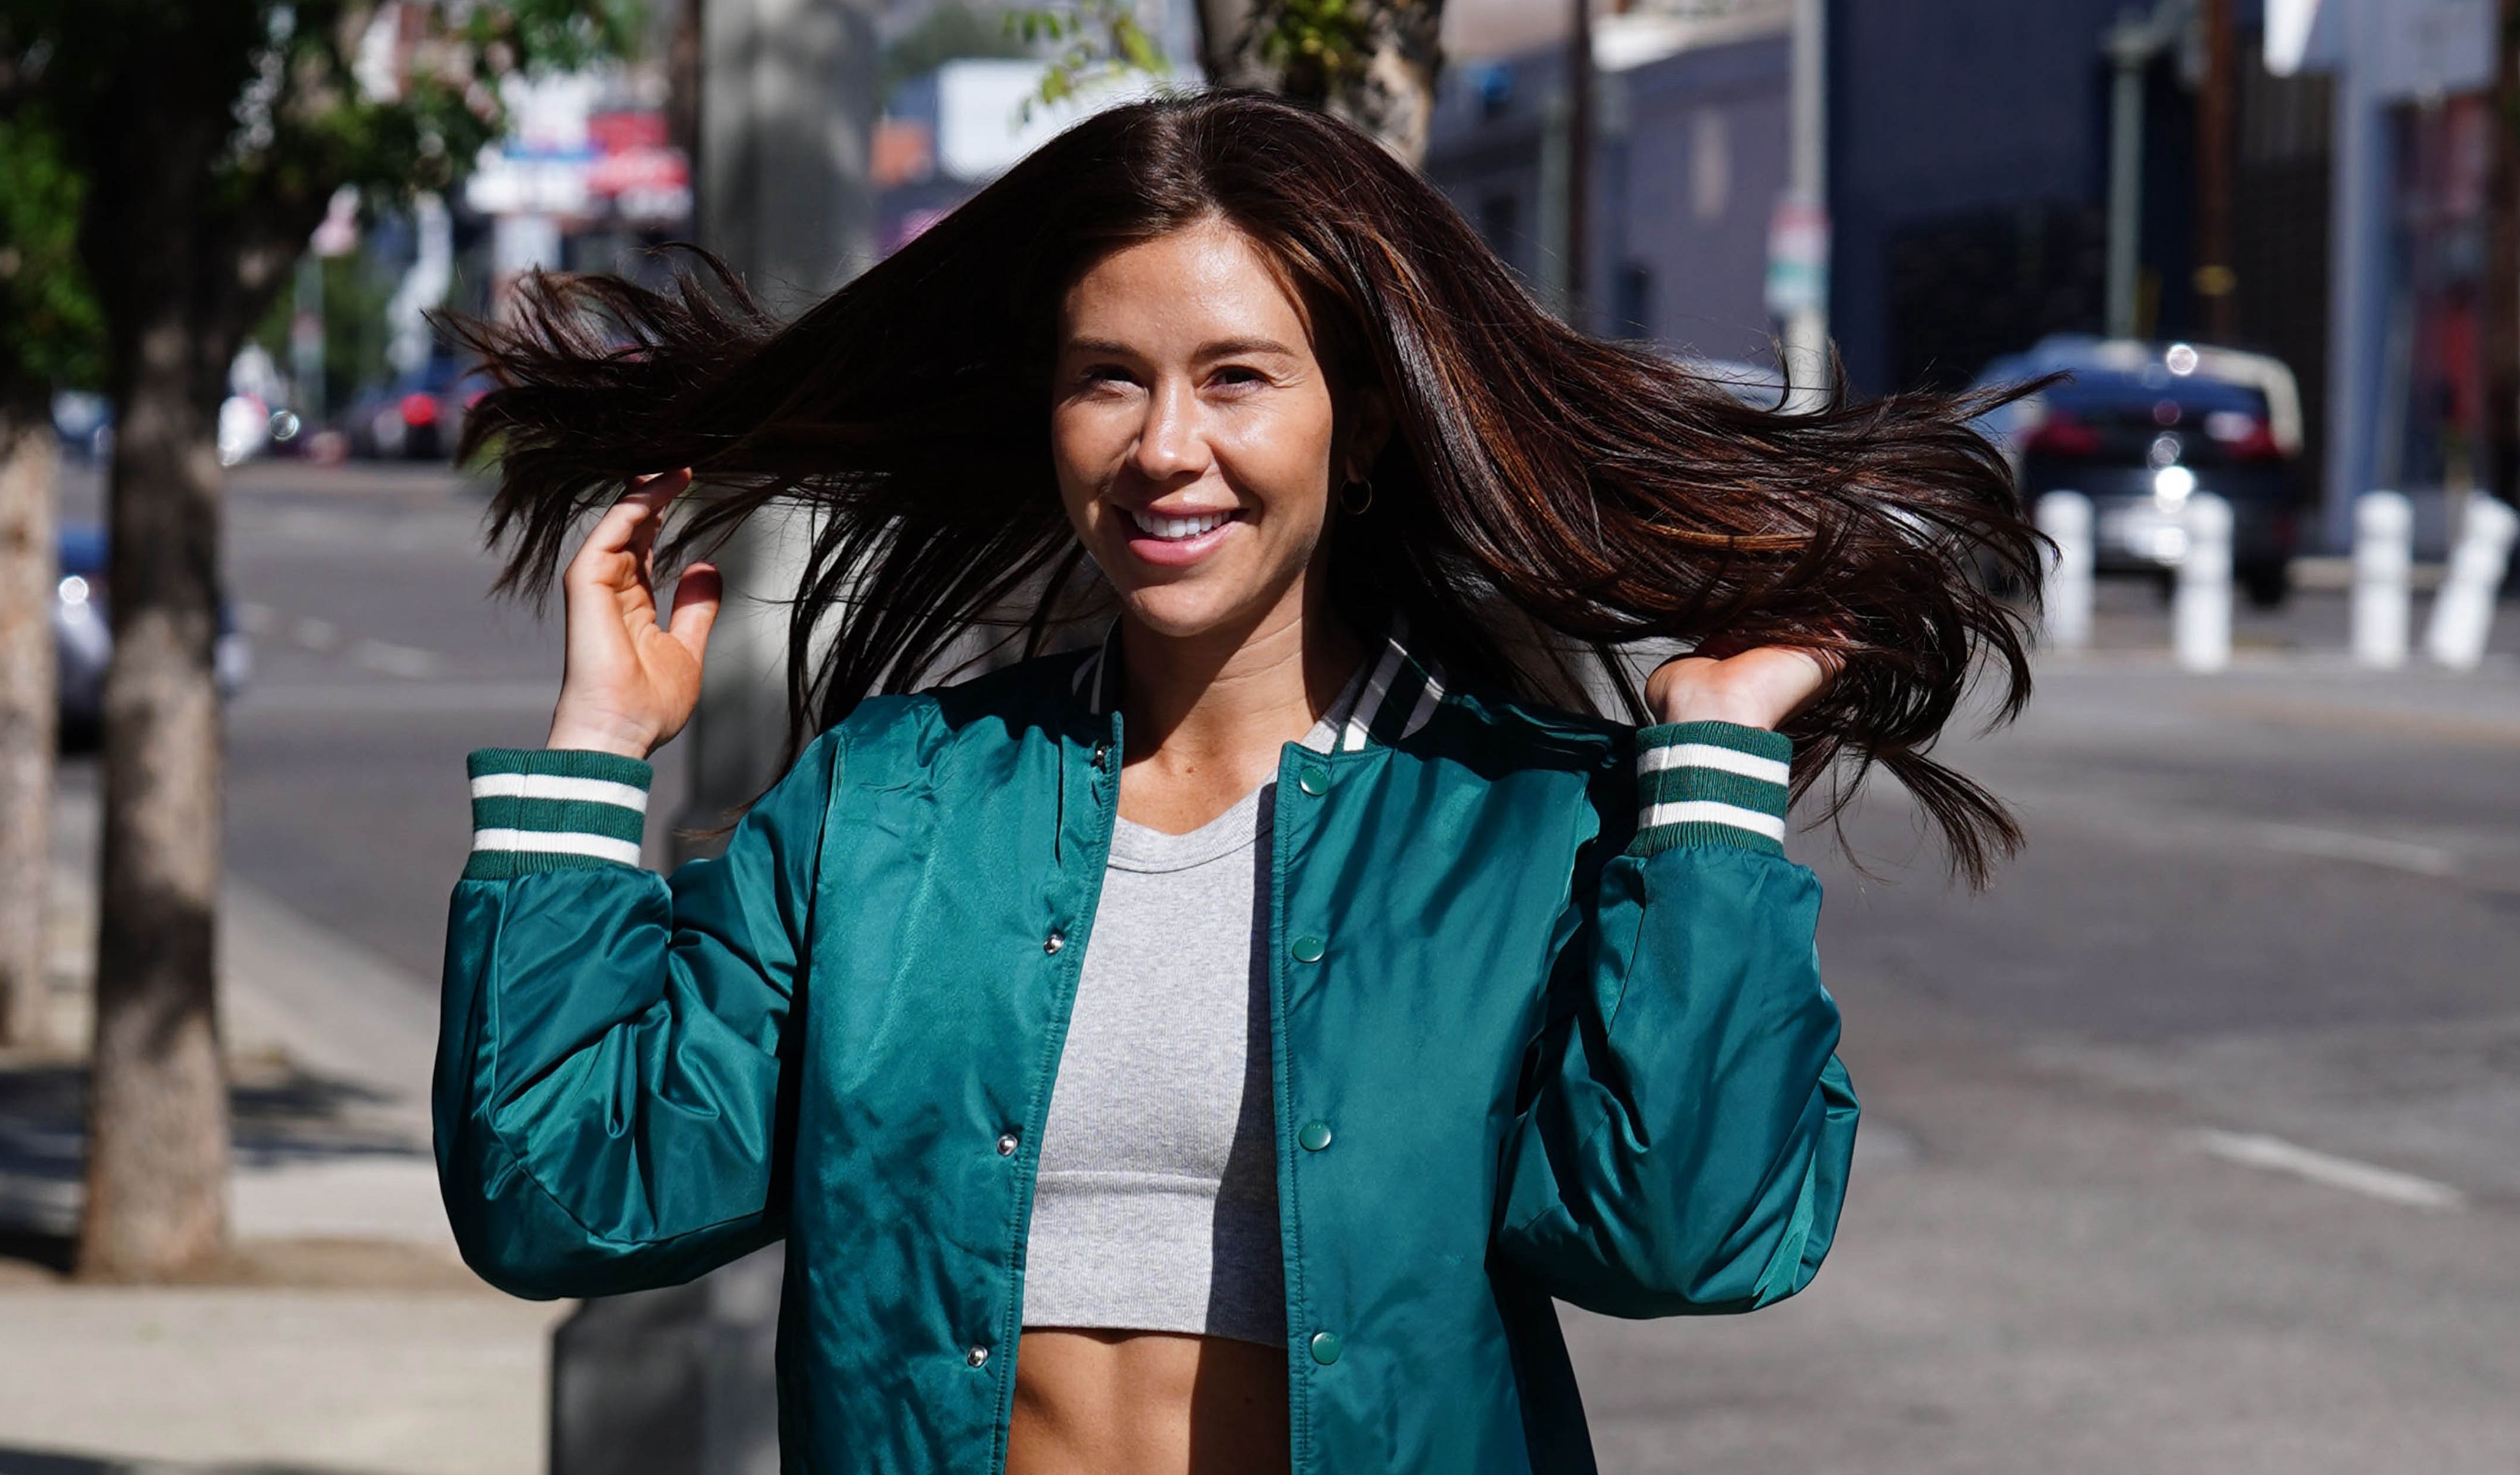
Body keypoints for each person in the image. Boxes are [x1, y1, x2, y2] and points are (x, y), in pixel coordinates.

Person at [437, 92, 2040, 1474]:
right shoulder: (892, 805)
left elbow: (1685, 1232)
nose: (1164, 445)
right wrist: (594, 753)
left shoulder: (1526, 824)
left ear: (1358, 434)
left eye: (1238, 376)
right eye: (1109, 376)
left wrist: (1706, 768)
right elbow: (564, 1194)